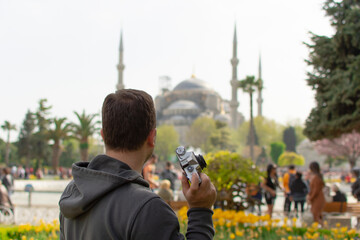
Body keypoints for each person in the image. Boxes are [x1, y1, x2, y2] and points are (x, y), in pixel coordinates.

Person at [59, 89, 217, 240]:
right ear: (152, 137)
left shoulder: (73, 192)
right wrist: (200, 210)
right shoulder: (148, 208)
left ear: (103, 136)